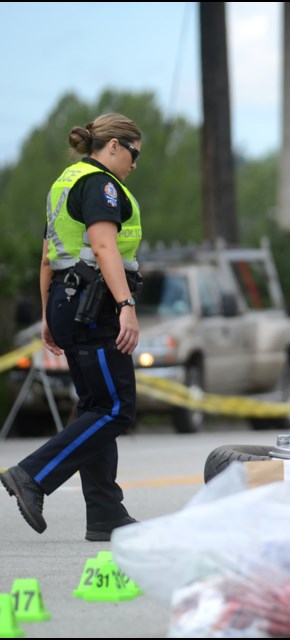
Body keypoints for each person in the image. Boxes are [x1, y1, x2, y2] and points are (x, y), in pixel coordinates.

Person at [1, 114, 144, 542]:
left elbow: (47, 257)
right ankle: (32, 475)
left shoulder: (63, 182)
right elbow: (103, 246)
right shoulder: (100, 185)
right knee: (116, 407)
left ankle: (105, 513)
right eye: (134, 153)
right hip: (96, 306)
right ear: (114, 145)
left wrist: (48, 314)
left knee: (94, 405)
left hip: (68, 303)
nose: (135, 164)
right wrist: (127, 305)